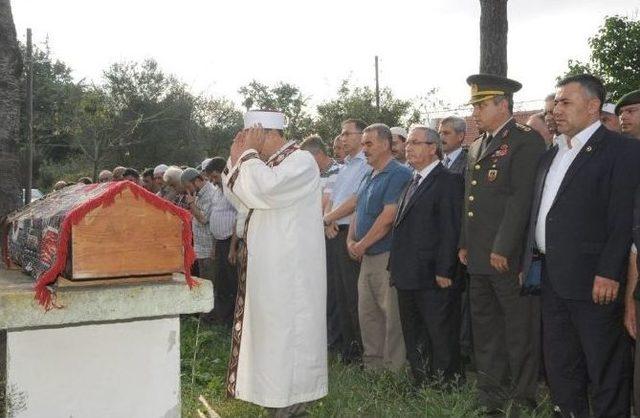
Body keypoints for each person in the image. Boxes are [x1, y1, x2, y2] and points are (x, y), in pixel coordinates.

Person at [521, 74, 640, 417]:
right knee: (561, 364)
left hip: (594, 282)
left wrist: (608, 271)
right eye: (556, 102)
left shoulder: (622, 151)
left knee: (604, 367)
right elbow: (542, 214)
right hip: (552, 278)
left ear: (592, 107)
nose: (556, 109)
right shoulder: (552, 154)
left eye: (565, 102)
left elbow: (622, 220)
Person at [222, 110, 327, 416]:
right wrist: (236, 159)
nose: (245, 143)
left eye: (249, 136)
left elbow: (265, 189)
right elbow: (242, 198)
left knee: (288, 342)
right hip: (270, 273)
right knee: (272, 341)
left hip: (290, 277)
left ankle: (292, 408)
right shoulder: (267, 165)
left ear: (265, 133)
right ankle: (275, 403)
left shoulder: (300, 161)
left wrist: (249, 156)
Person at [458, 74, 546, 412]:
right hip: (478, 256)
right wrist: (464, 243)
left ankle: (523, 395)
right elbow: (470, 200)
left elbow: (520, 199)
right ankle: (490, 394)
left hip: (505, 257)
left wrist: (503, 247)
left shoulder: (525, 141)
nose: (476, 112)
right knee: (485, 328)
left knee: (518, 328)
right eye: (475, 106)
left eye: (481, 105)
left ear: (503, 104)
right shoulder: (478, 144)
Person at [389, 125, 463, 385]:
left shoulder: (449, 180)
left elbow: (450, 229)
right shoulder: (413, 179)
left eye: (416, 142)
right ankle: (421, 381)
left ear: (433, 148)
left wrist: (445, 269)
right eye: (408, 142)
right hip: (407, 272)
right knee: (414, 332)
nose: (408, 147)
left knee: (439, 332)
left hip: (433, 275)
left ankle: (447, 384)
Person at [348, 123, 411, 372]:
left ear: (386, 144)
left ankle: (394, 371)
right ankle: (373, 367)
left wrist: (361, 244)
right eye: (363, 144)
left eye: (369, 144)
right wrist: (350, 240)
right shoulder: (369, 174)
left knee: (391, 316)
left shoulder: (398, 174)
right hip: (366, 256)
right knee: (368, 314)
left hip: (386, 255)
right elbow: (359, 208)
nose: (364, 149)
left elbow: (388, 217)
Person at [322, 118, 370, 363]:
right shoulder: (346, 165)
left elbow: (356, 199)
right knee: (339, 294)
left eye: (347, 134)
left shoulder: (366, 164)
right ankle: (347, 349)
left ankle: (361, 351)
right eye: (341, 134)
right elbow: (333, 197)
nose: (342, 138)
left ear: (362, 136)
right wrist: (328, 219)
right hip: (334, 231)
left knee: (354, 296)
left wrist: (329, 218)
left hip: (350, 233)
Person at [300, 134, 342, 350]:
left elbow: (325, 203)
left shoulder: (337, 171)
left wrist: (322, 218)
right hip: (313, 236)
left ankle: (333, 340)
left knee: (331, 290)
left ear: (318, 154)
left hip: (328, 236)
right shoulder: (313, 175)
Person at [438, 115, 472, 365]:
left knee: (458, 301)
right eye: (440, 133)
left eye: (447, 133)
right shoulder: (438, 163)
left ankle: (461, 353)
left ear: (461, 136)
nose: (441, 138)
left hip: (458, 242)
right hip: (438, 242)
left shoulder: (468, 162)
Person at [203, 157, 238, 327]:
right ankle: (223, 319)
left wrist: (233, 249)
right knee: (221, 282)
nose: (213, 181)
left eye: (214, 177)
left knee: (232, 282)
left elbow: (239, 218)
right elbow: (215, 217)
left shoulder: (234, 189)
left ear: (223, 171)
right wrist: (214, 247)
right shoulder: (217, 191)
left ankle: (232, 320)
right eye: (210, 178)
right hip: (220, 243)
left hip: (232, 243)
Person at [181, 167, 216, 319]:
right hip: (200, 248)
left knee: (210, 283)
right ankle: (205, 316)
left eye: (189, 187)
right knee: (203, 281)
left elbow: (203, 218)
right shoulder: (200, 194)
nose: (189, 191)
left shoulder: (210, 194)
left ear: (197, 180)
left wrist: (191, 205)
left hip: (209, 247)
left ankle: (210, 318)